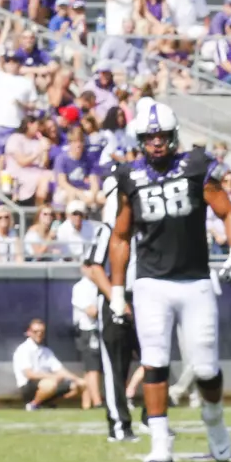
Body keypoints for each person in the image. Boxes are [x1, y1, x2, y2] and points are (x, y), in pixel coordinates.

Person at [105, 101, 231, 462]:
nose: (156, 143)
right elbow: (120, 237)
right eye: (150, 137)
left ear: (173, 136)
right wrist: (117, 292)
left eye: (162, 136)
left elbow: (227, 211)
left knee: (205, 369)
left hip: (195, 281)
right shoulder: (129, 177)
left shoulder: (195, 167)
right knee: (154, 362)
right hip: (152, 283)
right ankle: (160, 442)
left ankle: (214, 423)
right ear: (140, 139)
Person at [87, 158, 139, 441]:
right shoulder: (107, 230)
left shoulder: (141, 229)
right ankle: (119, 425)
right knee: (115, 368)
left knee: (155, 359)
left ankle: (152, 418)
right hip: (116, 300)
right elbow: (95, 269)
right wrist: (116, 299)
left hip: (143, 297)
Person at [13, 318, 82, 409]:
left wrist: (78, 380)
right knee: (50, 384)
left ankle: (45, 403)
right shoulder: (23, 349)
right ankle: (33, 405)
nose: (39, 334)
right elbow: (30, 374)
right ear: (29, 332)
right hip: (28, 385)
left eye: (42, 332)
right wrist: (53, 377)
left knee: (77, 385)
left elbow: (60, 370)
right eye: (35, 331)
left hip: (46, 382)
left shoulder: (46, 351)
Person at [73, 266, 104, 408]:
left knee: (91, 368)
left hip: (98, 329)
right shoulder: (81, 287)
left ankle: (87, 404)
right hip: (88, 330)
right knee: (93, 367)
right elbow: (91, 311)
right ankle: (97, 402)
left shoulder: (99, 284)